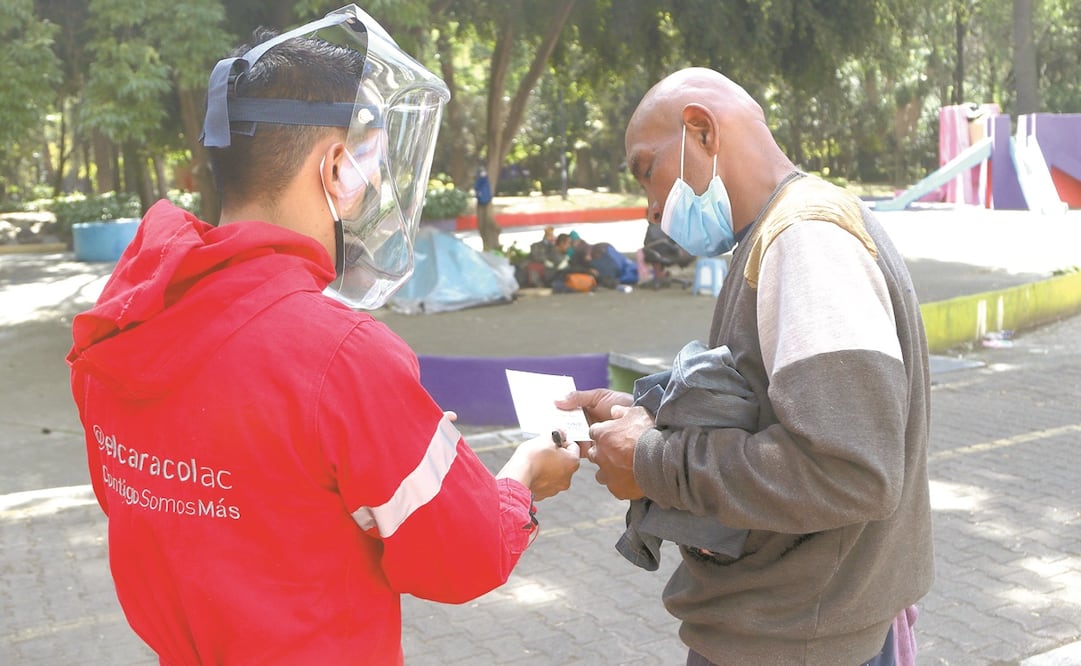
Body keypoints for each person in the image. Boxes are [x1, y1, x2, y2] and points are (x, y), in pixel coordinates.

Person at [66, 6, 580, 663]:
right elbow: (464, 558)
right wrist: (522, 476)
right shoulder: (338, 353)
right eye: (370, 162)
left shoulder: (123, 319)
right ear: (336, 166)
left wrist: (377, 441)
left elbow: (200, 495)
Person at [557, 67, 933, 665]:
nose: (652, 209)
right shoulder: (784, 233)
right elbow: (774, 416)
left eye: (646, 170)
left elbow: (850, 471)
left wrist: (652, 460)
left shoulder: (805, 238)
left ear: (701, 130)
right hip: (800, 628)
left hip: (797, 640)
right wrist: (644, 419)